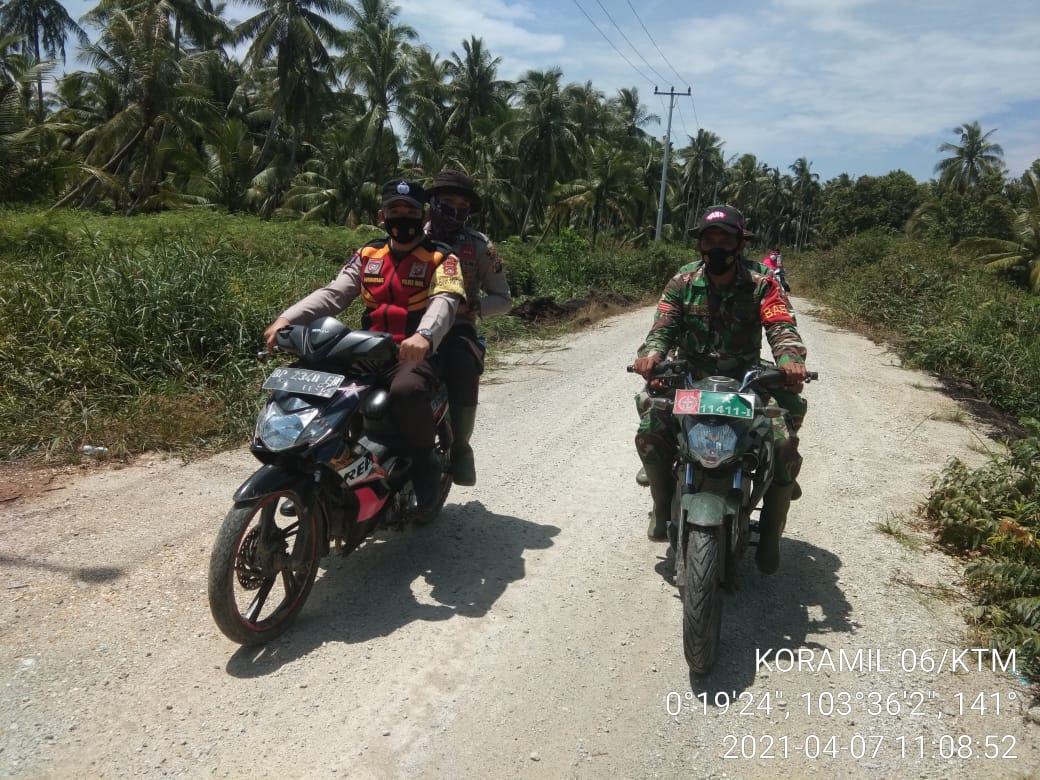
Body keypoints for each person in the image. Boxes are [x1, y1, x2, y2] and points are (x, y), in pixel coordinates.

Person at [263, 178, 466, 509]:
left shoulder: (442, 258)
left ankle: (425, 462)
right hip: (365, 347)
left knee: (407, 391)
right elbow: (334, 293)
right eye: (394, 210)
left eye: (410, 210)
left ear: (422, 215)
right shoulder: (368, 253)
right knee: (321, 388)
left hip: (413, 352)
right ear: (381, 215)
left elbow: (445, 300)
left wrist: (424, 336)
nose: (402, 216)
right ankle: (320, 468)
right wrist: (288, 319)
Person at [631, 205, 808, 574]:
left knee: (783, 442)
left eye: (725, 238)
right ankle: (663, 505)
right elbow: (664, 324)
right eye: (709, 238)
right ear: (700, 244)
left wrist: (790, 358)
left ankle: (772, 531)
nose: (716, 246)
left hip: (747, 380)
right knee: (650, 428)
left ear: (739, 243)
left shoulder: (762, 281)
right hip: (690, 378)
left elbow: (780, 323)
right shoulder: (683, 280)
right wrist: (652, 355)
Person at [425, 169, 513, 486]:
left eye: (462, 205)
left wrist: (474, 306)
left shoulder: (478, 246)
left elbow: (504, 299)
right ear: (431, 202)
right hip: (405, 326)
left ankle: (461, 447)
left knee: (464, 364)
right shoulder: (408, 236)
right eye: (446, 201)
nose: (454, 209)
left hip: (455, 329)